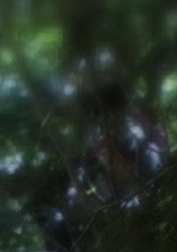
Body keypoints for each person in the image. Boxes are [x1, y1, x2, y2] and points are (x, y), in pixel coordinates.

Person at [66, 51, 170, 217]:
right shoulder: (92, 119)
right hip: (117, 172)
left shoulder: (129, 112)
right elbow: (96, 151)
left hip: (139, 159)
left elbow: (154, 138)